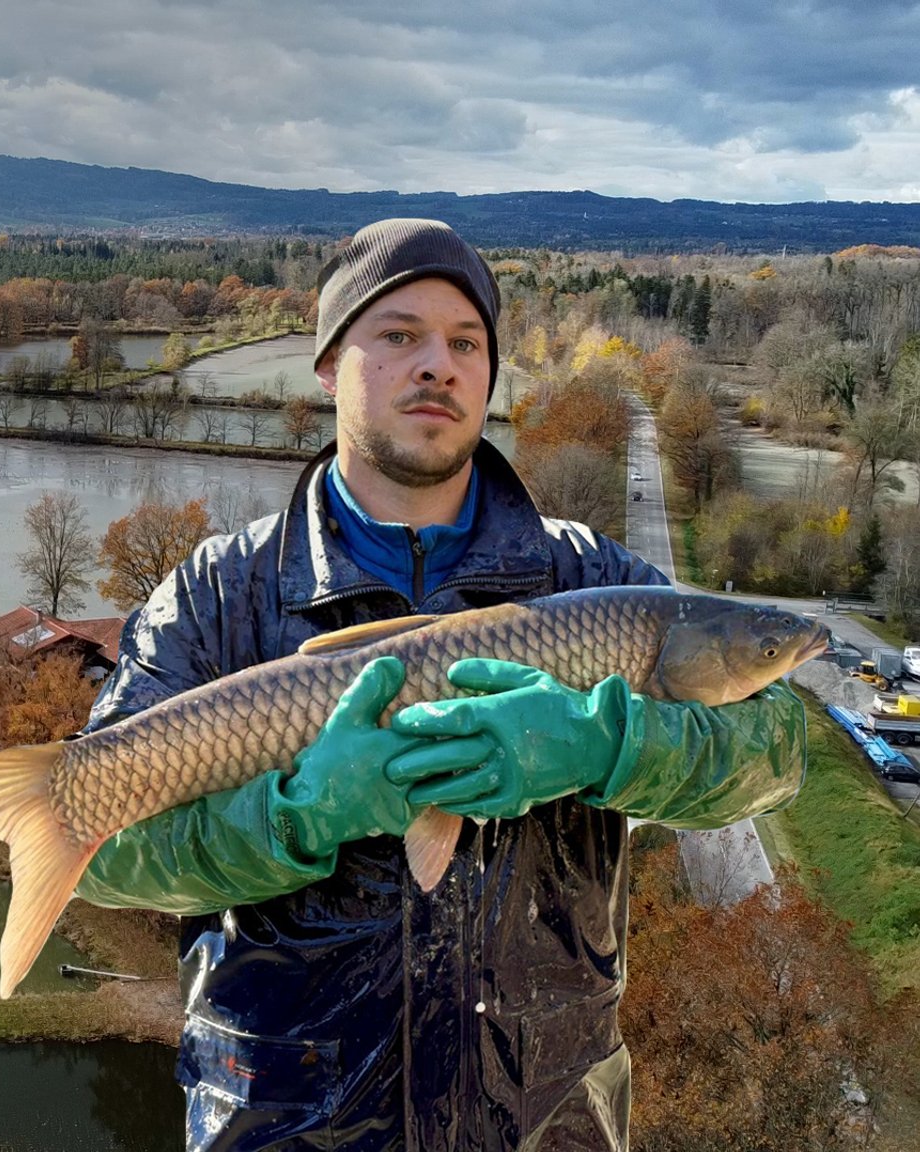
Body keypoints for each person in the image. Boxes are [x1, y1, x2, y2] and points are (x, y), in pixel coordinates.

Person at [71, 219, 806, 1152]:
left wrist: (613, 743)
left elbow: (774, 752)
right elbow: (105, 855)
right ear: (331, 365)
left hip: (550, 1121)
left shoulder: (590, 583)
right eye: (400, 335)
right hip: (285, 1122)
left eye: (466, 343)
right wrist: (294, 816)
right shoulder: (221, 594)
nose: (439, 365)